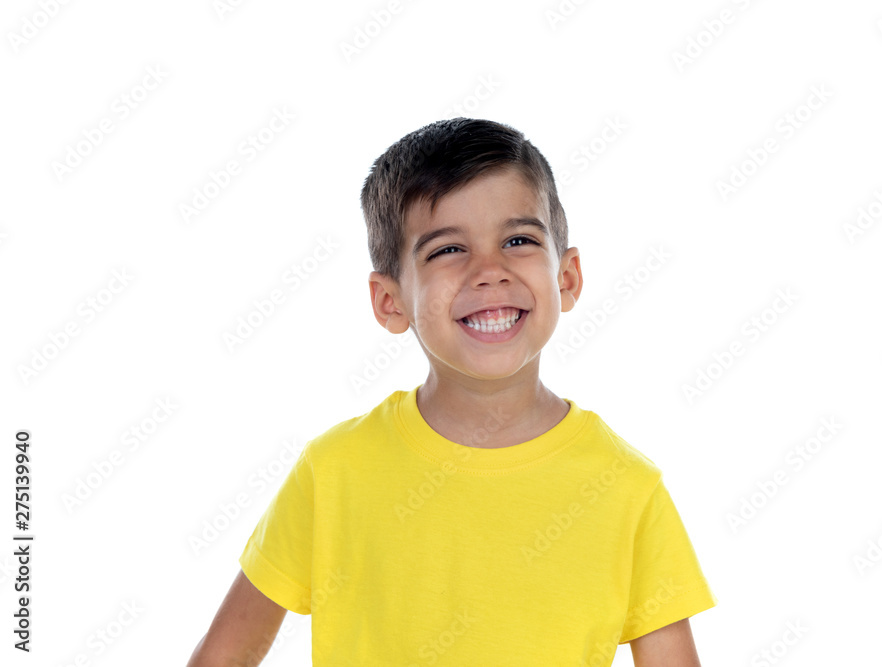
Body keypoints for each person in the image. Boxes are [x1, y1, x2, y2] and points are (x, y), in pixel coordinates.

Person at [186, 117, 717, 666]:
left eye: (518, 240)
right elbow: (223, 657)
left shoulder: (628, 487)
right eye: (447, 250)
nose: (490, 271)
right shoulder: (335, 470)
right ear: (390, 301)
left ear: (568, 276)